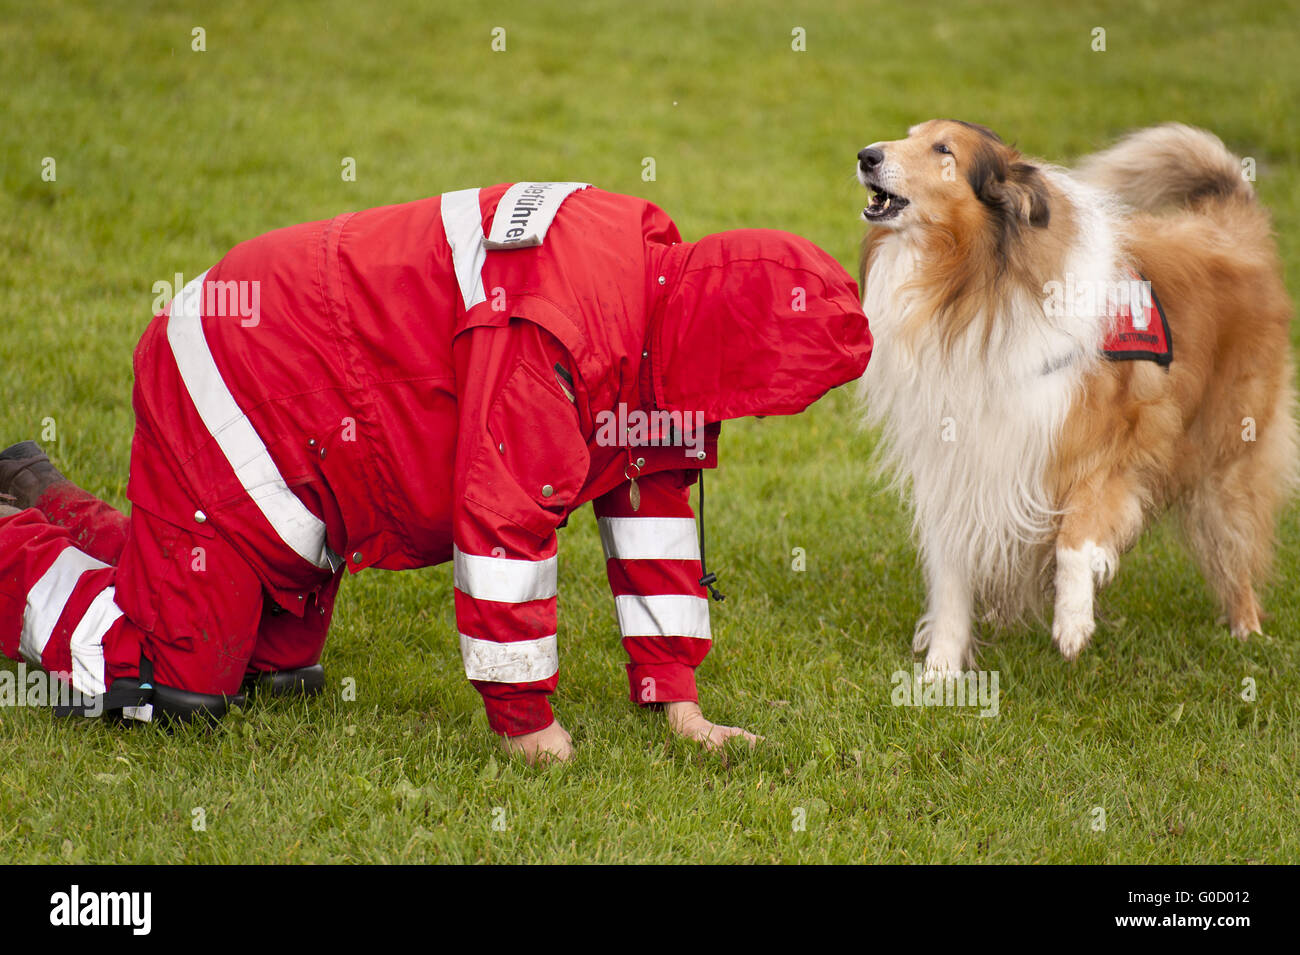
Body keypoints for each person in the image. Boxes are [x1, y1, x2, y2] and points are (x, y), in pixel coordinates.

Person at [0, 182, 871, 763]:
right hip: (245, 374)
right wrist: (528, 725)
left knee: (279, 669)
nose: (745, 415)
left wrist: (676, 696)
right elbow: (502, 526)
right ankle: (14, 548)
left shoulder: (665, 306)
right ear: (726, 338)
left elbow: (649, 497)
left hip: (317, 423)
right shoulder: (559, 328)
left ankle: (46, 497)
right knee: (176, 684)